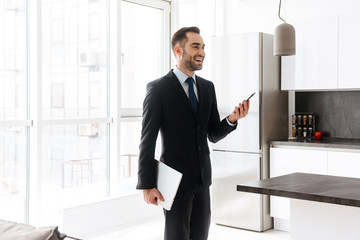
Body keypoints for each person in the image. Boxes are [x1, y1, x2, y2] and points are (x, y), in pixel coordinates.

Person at [136, 26, 250, 240]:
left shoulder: (207, 88)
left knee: (200, 236)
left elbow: (213, 133)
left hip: (202, 178)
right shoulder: (158, 89)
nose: (202, 52)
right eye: (195, 46)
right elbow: (147, 140)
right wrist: (147, 184)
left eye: (203, 47)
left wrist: (232, 119)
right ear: (178, 50)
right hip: (174, 181)